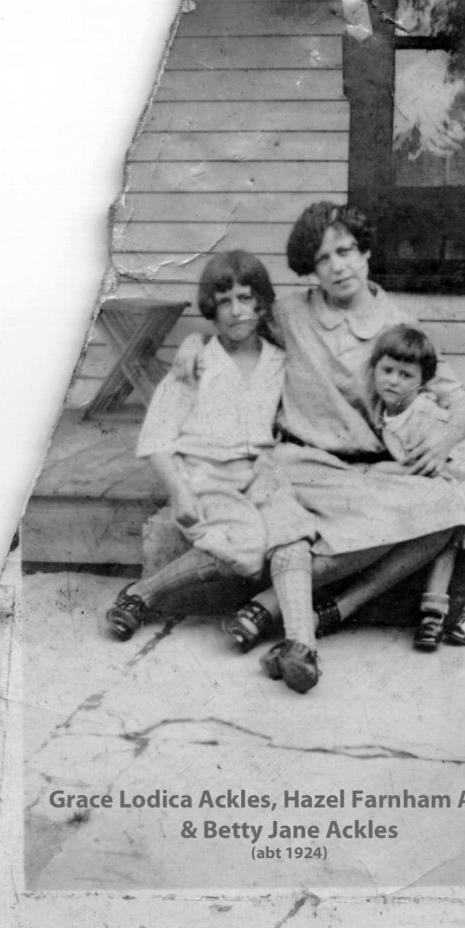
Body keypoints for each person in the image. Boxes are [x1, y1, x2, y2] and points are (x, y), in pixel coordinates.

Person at [218, 202, 465, 657]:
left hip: (368, 474)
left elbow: (461, 403)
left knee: (450, 510)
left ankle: (314, 607)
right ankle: (288, 612)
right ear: (310, 269)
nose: (338, 267)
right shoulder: (289, 315)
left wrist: (442, 441)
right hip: (301, 464)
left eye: (346, 251)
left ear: (366, 254)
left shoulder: (397, 326)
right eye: (322, 259)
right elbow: (234, 335)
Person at [105, 250, 320, 693]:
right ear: (212, 308)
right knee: (243, 552)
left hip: (261, 471)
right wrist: (181, 492)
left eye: (247, 298)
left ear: (262, 303)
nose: (238, 311)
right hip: (205, 474)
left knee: (292, 536)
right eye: (225, 301)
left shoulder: (279, 361)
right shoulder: (197, 363)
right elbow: (157, 439)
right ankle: (142, 594)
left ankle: (301, 647)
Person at [367, 324, 465, 650]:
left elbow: (419, 465)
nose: (393, 380)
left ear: (422, 383)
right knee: (445, 526)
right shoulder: (384, 409)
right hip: (444, 485)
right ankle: (432, 614)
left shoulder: (423, 414)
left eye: (405, 375)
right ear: (374, 368)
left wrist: (376, 470)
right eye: (387, 370)